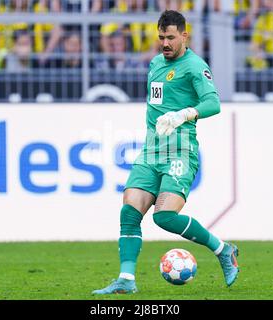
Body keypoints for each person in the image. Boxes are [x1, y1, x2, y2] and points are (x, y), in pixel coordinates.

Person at [92, 10, 239, 295]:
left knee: (164, 217)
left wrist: (186, 113)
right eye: (161, 37)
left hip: (180, 151)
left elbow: (213, 103)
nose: (165, 43)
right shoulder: (156, 63)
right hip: (151, 151)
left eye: (171, 37)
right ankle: (126, 279)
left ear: (185, 35)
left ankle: (223, 250)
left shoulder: (195, 66)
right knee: (129, 211)